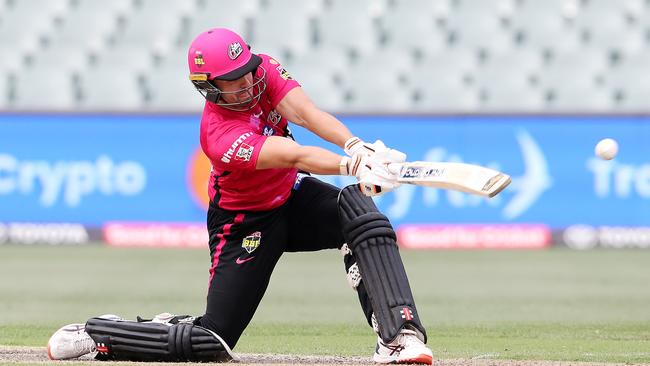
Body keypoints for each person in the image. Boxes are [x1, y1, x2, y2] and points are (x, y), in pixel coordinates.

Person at [46, 28, 433, 364]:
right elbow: (293, 155)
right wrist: (352, 166)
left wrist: (358, 147)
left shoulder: (262, 68)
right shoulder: (219, 135)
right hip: (246, 223)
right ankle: (101, 333)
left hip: (292, 196)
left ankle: (400, 335)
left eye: (248, 70)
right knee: (211, 340)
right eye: (234, 79)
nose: (249, 81)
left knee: (357, 208)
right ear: (210, 88)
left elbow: (306, 114)